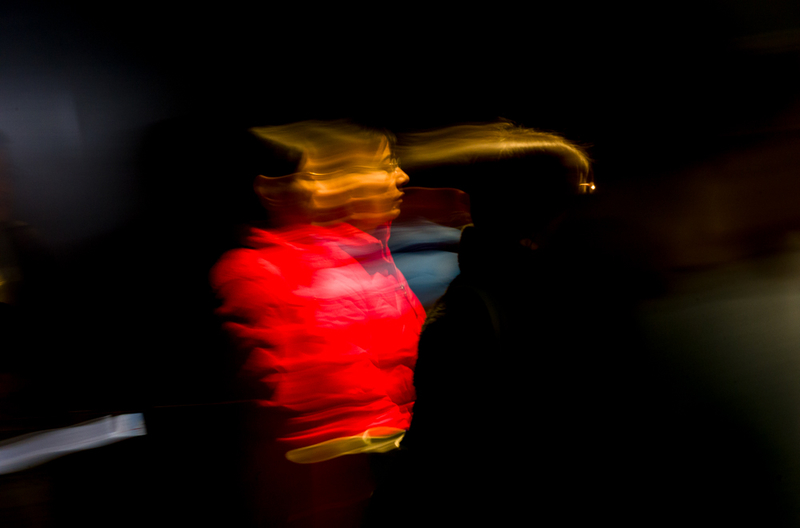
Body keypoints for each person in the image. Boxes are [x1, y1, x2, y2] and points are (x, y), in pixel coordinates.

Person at [209, 121, 425, 528]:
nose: (401, 176)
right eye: (382, 165)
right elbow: (339, 417)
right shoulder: (268, 273)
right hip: (336, 498)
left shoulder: (365, 257)